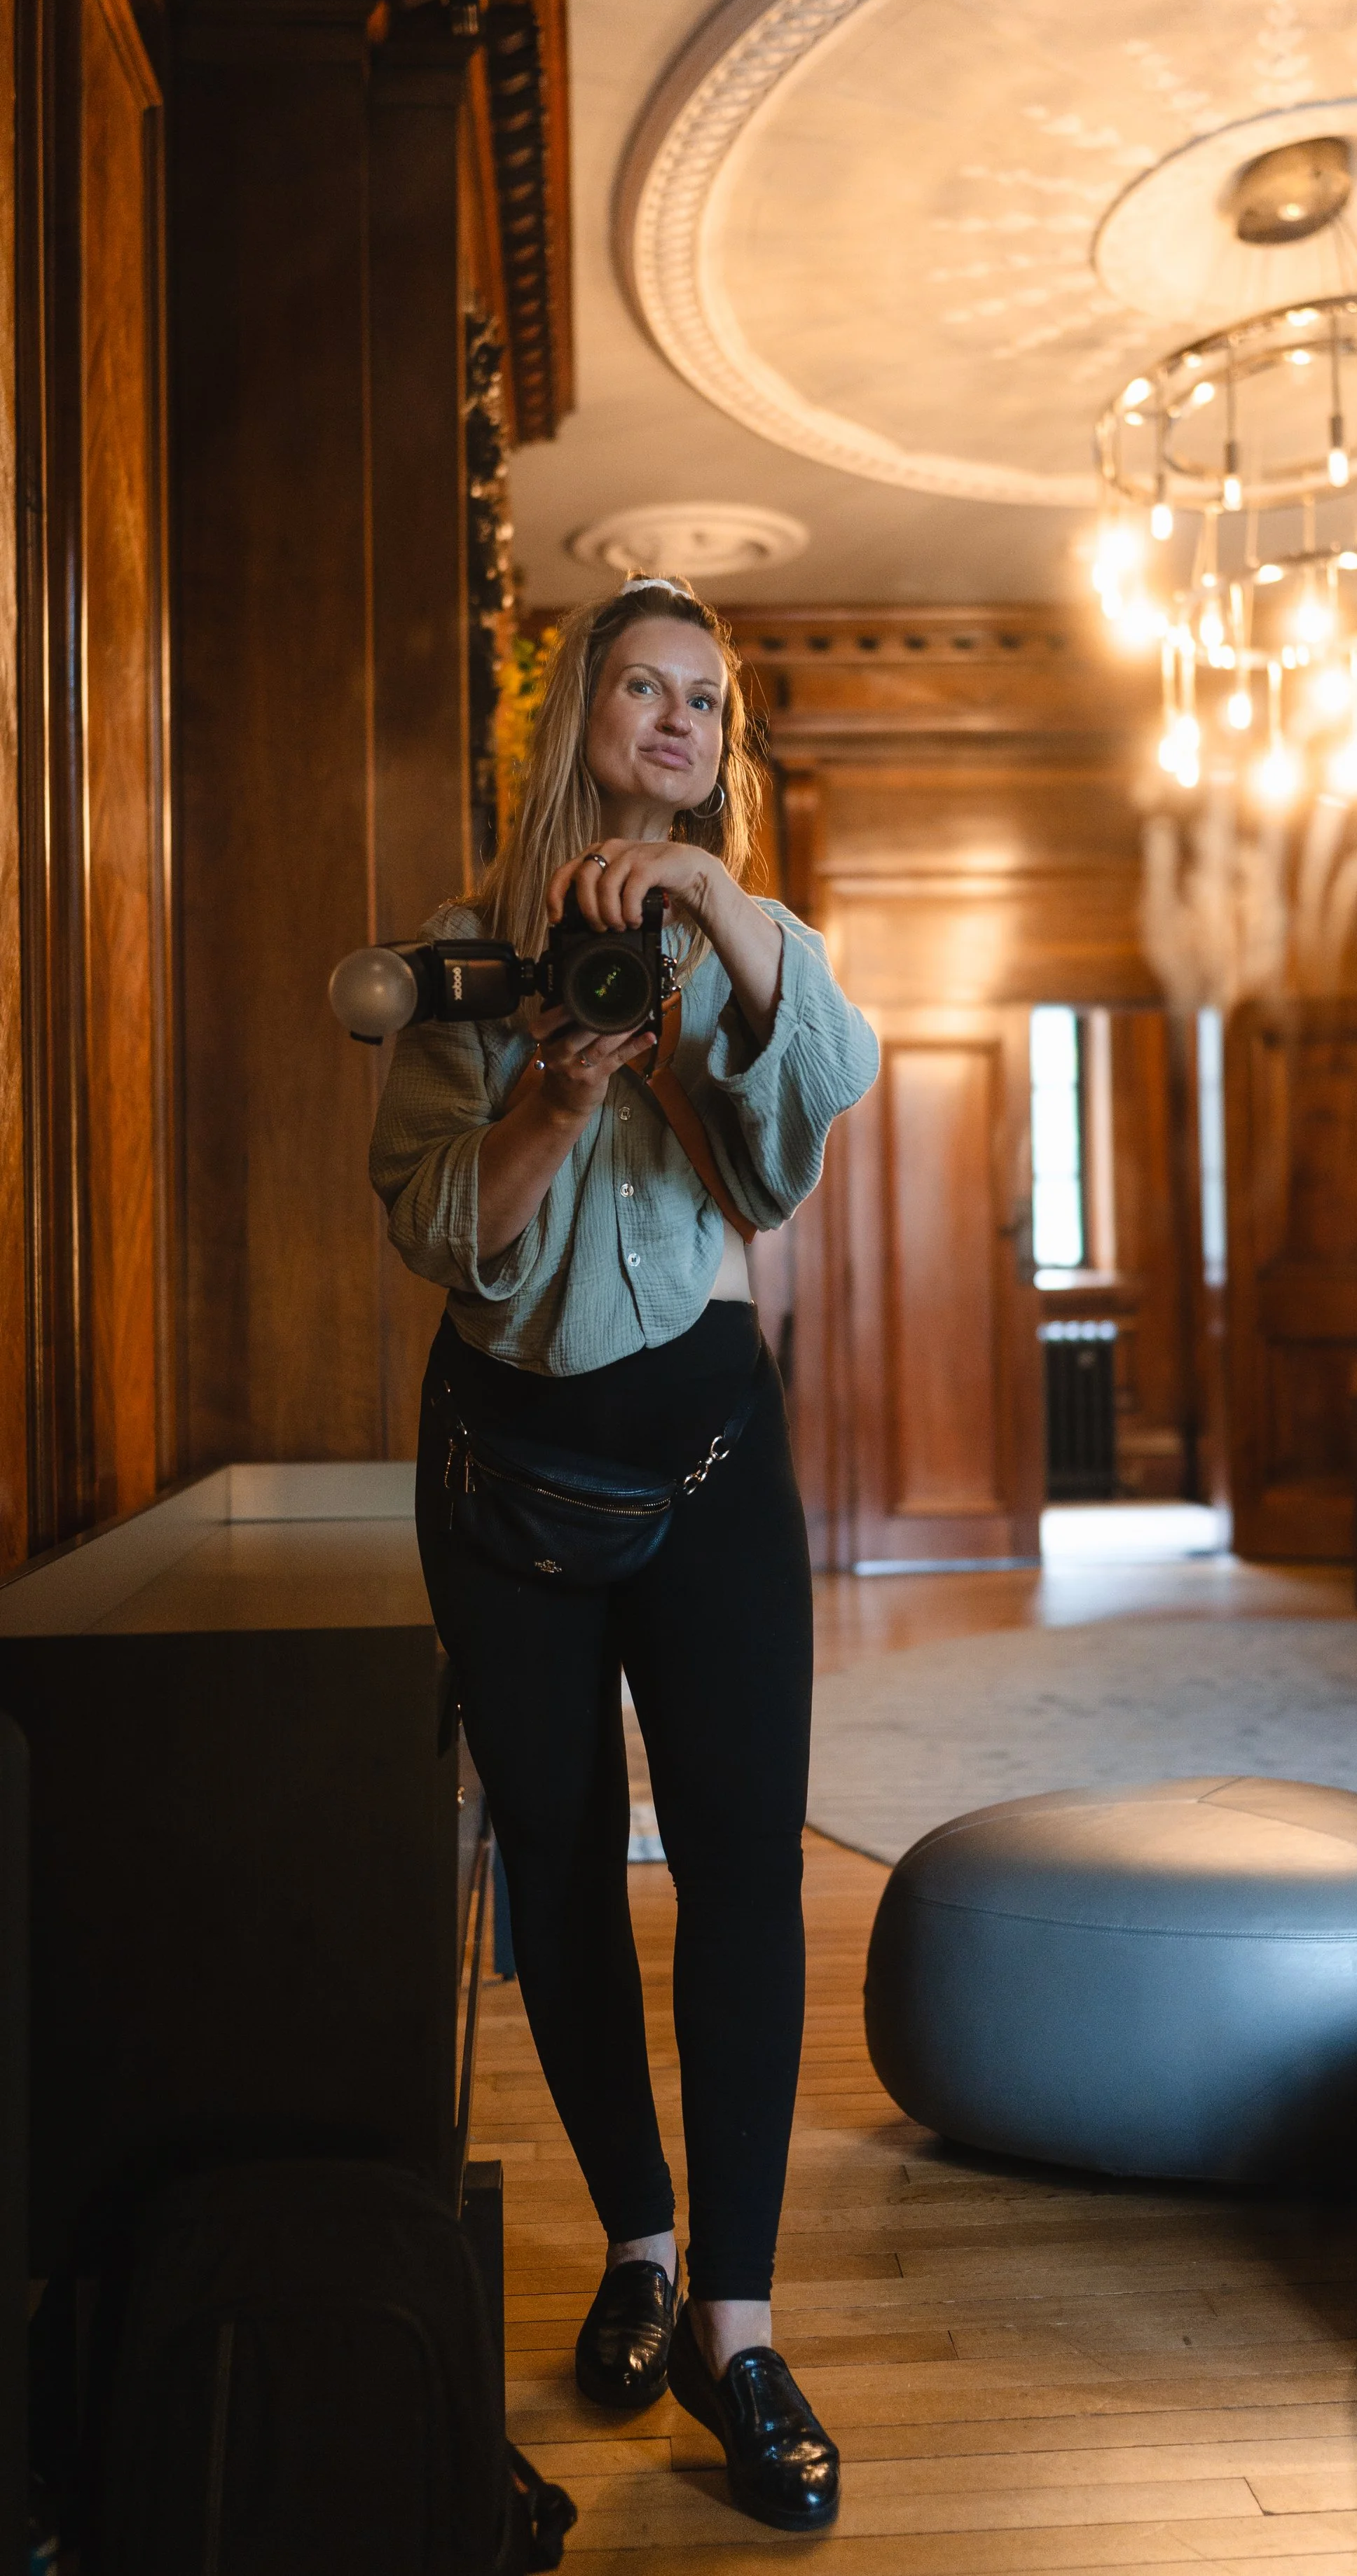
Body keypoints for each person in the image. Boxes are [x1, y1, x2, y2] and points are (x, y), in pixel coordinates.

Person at [369, 575, 878, 2533]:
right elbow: (439, 1230)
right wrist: (549, 1094)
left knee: (745, 1878)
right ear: (577, 713)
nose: (677, 717)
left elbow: (802, 1123)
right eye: (645, 688)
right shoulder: (458, 962)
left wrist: (701, 914)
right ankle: (645, 2244)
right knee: (566, 1880)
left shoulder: (754, 942)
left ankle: (736, 2330)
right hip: (503, 1477)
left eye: (706, 703)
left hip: (713, 1460)